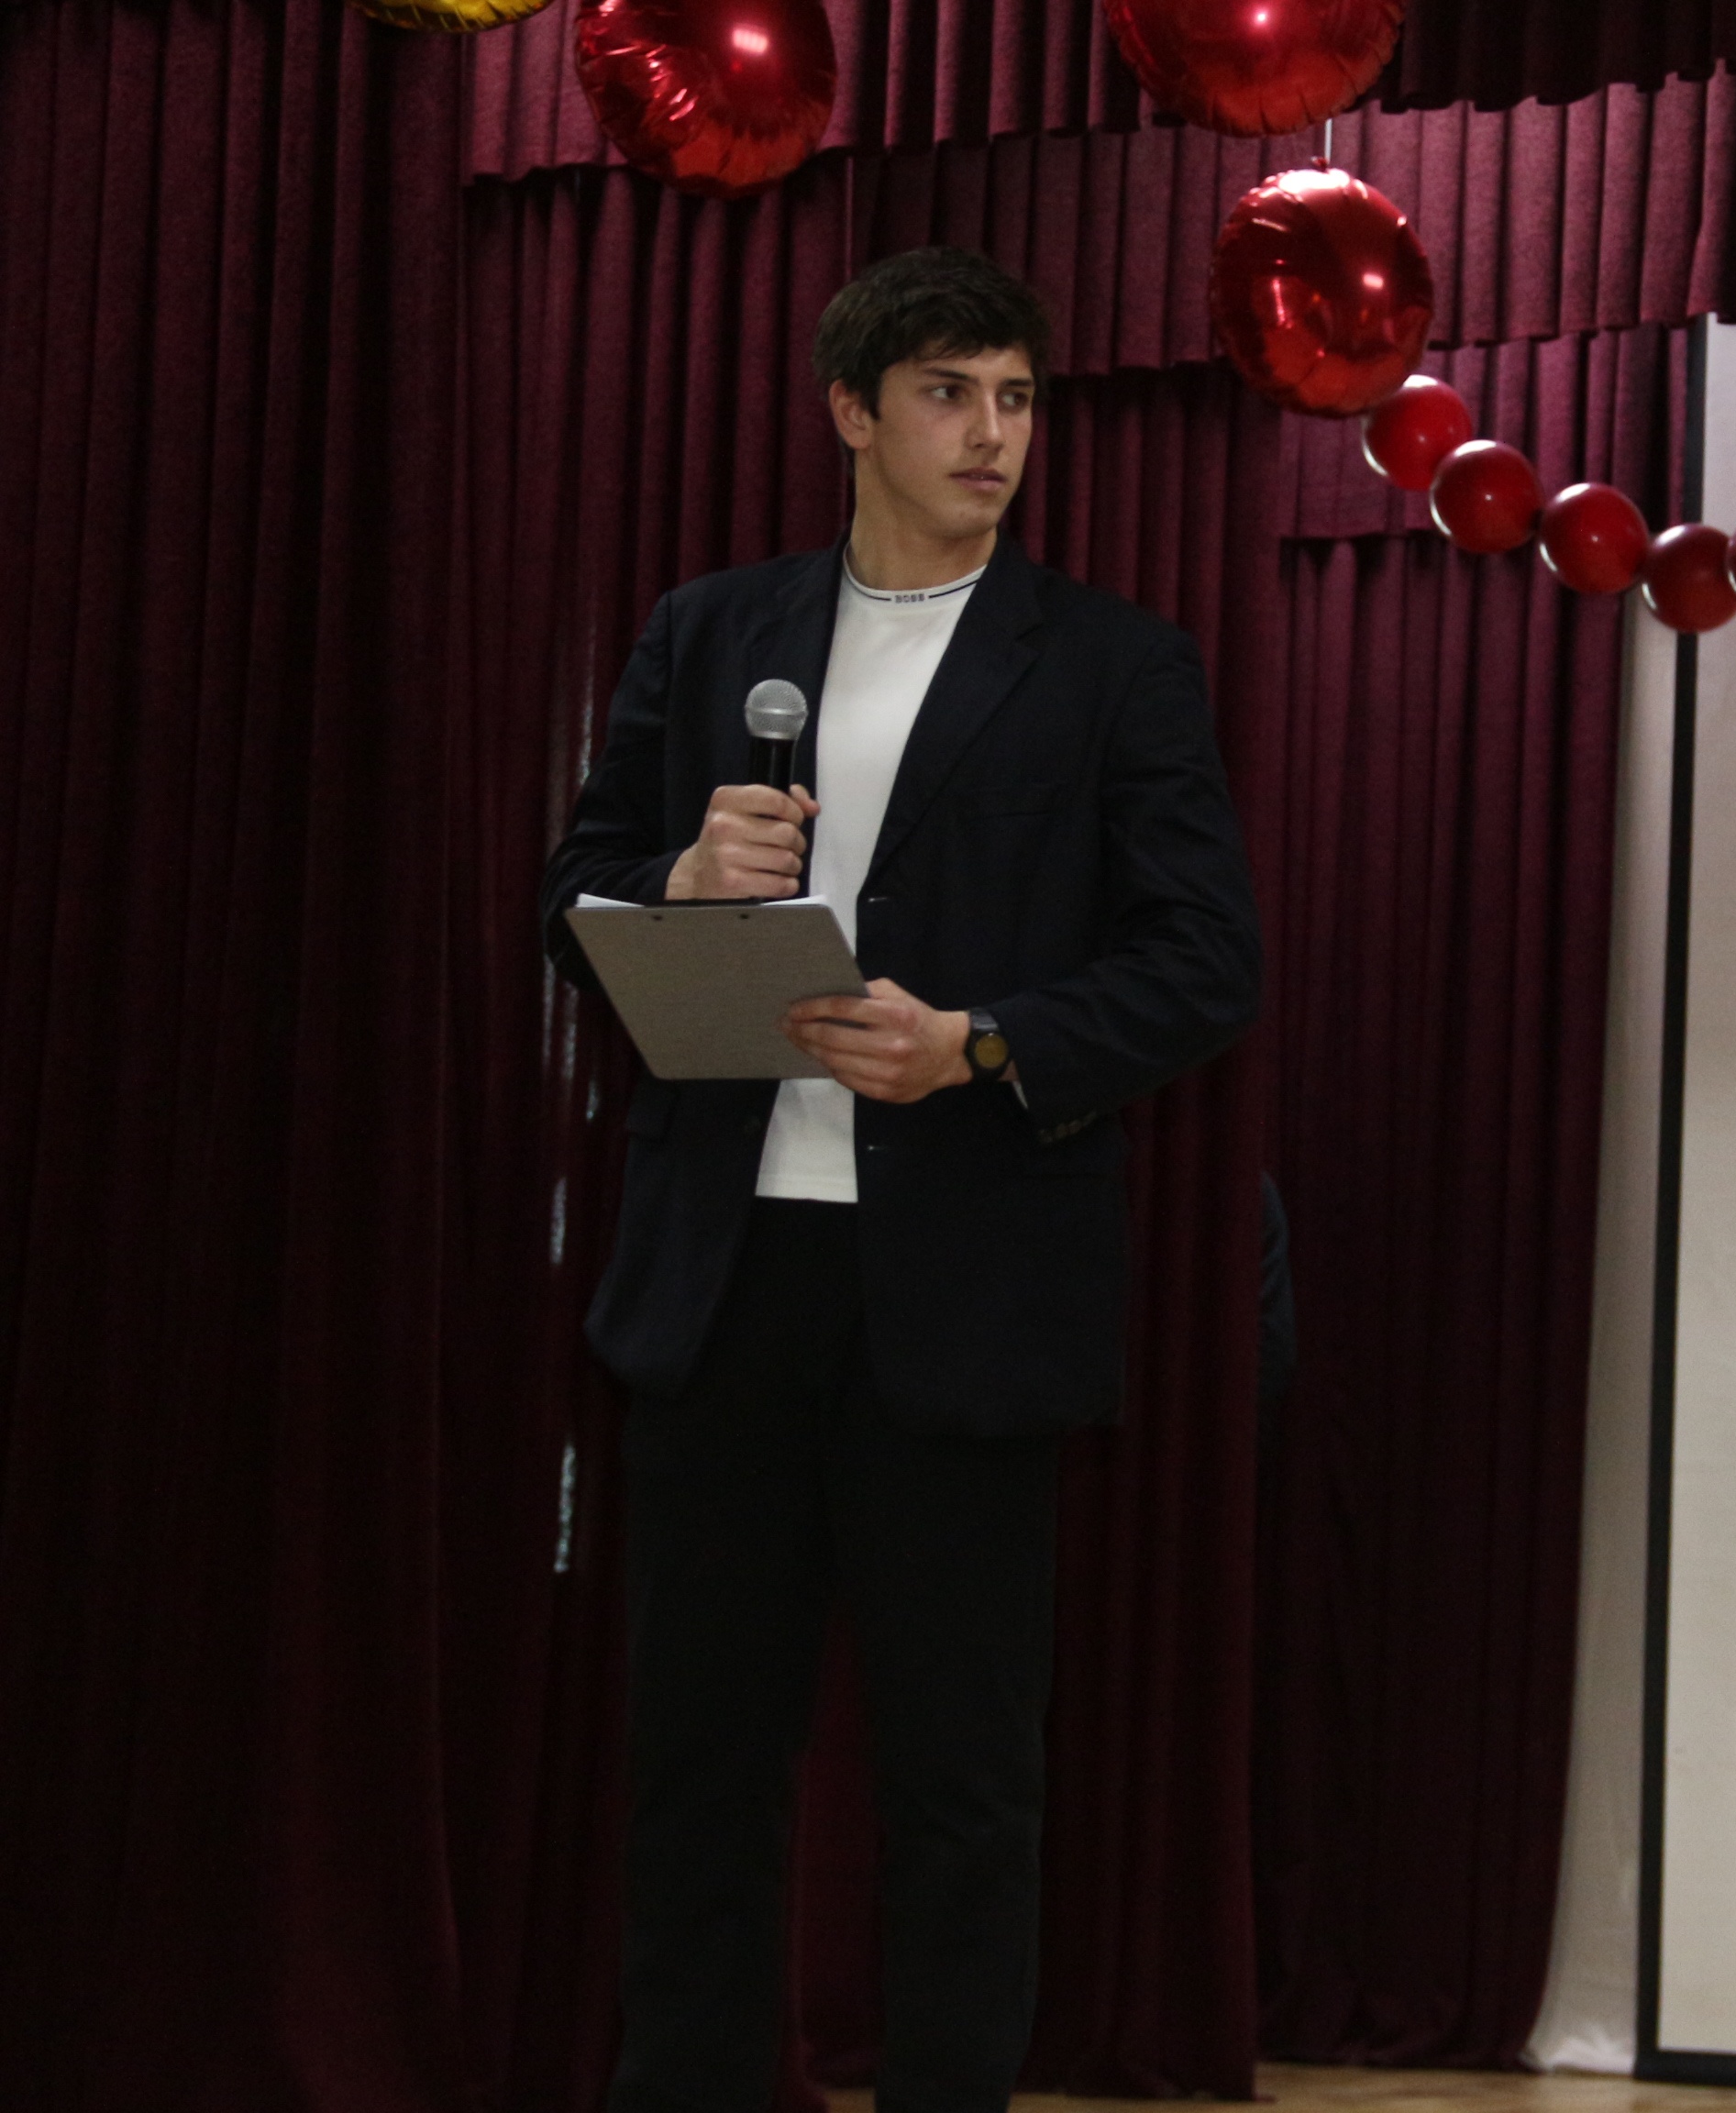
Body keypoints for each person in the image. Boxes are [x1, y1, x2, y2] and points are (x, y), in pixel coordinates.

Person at [536, 247, 1260, 2113]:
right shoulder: (712, 632)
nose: (993, 434)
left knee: (962, 1784)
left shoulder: (1110, 663)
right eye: (950, 394)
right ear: (853, 411)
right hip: (725, 1276)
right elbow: (576, 898)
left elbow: (1204, 963)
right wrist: (676, 884)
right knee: (699, 1762)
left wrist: (985, 1046)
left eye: (1017, 399)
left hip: (966, 1283)